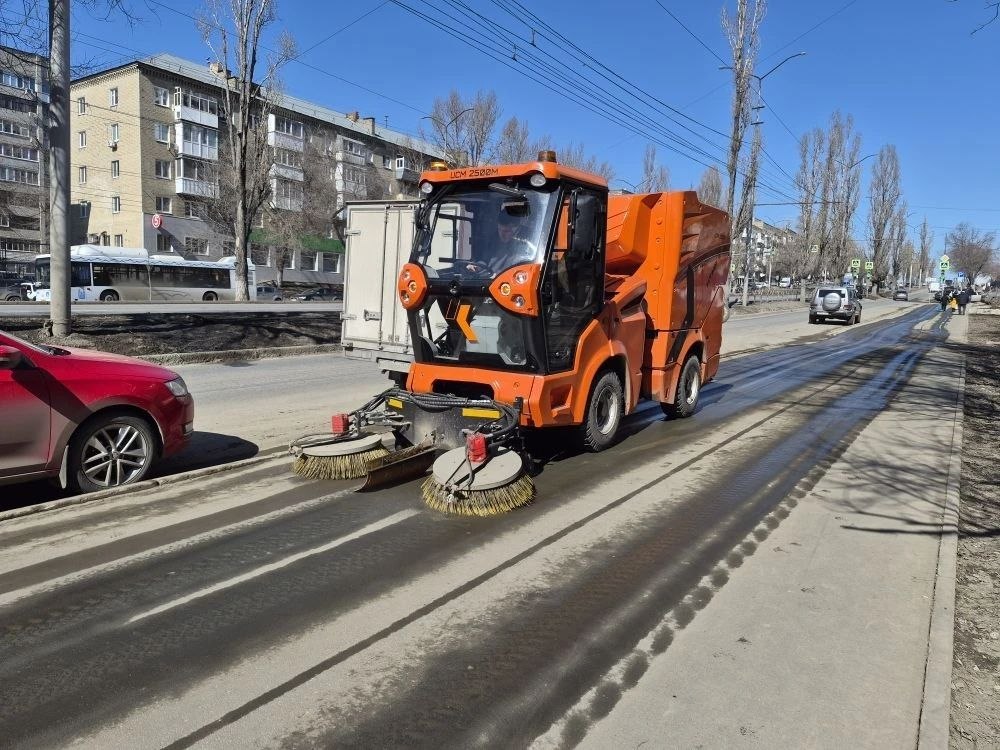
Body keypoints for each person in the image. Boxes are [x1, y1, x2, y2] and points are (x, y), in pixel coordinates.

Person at [466, 211, 536, 274]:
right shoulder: (494, 243)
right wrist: (476, 266)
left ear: (516, 230)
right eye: (500, 229)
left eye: (506, 231)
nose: (502, 235)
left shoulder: (524, 248)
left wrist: (497, 275)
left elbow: (520, 270)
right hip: (487, 280)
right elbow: (485, 260)